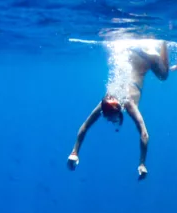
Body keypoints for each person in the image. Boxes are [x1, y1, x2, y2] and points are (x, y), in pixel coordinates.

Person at [66, 40, 170, 181]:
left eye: (111, 118)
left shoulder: (127, 103)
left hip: (146, 60)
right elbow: (85, 126)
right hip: (132, 54)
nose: (110, 120)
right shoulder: (107, 101)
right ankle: (135, 43)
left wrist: (142, 163)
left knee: (163, 76)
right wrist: (74, 152)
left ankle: (163, 41)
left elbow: (144, 134)